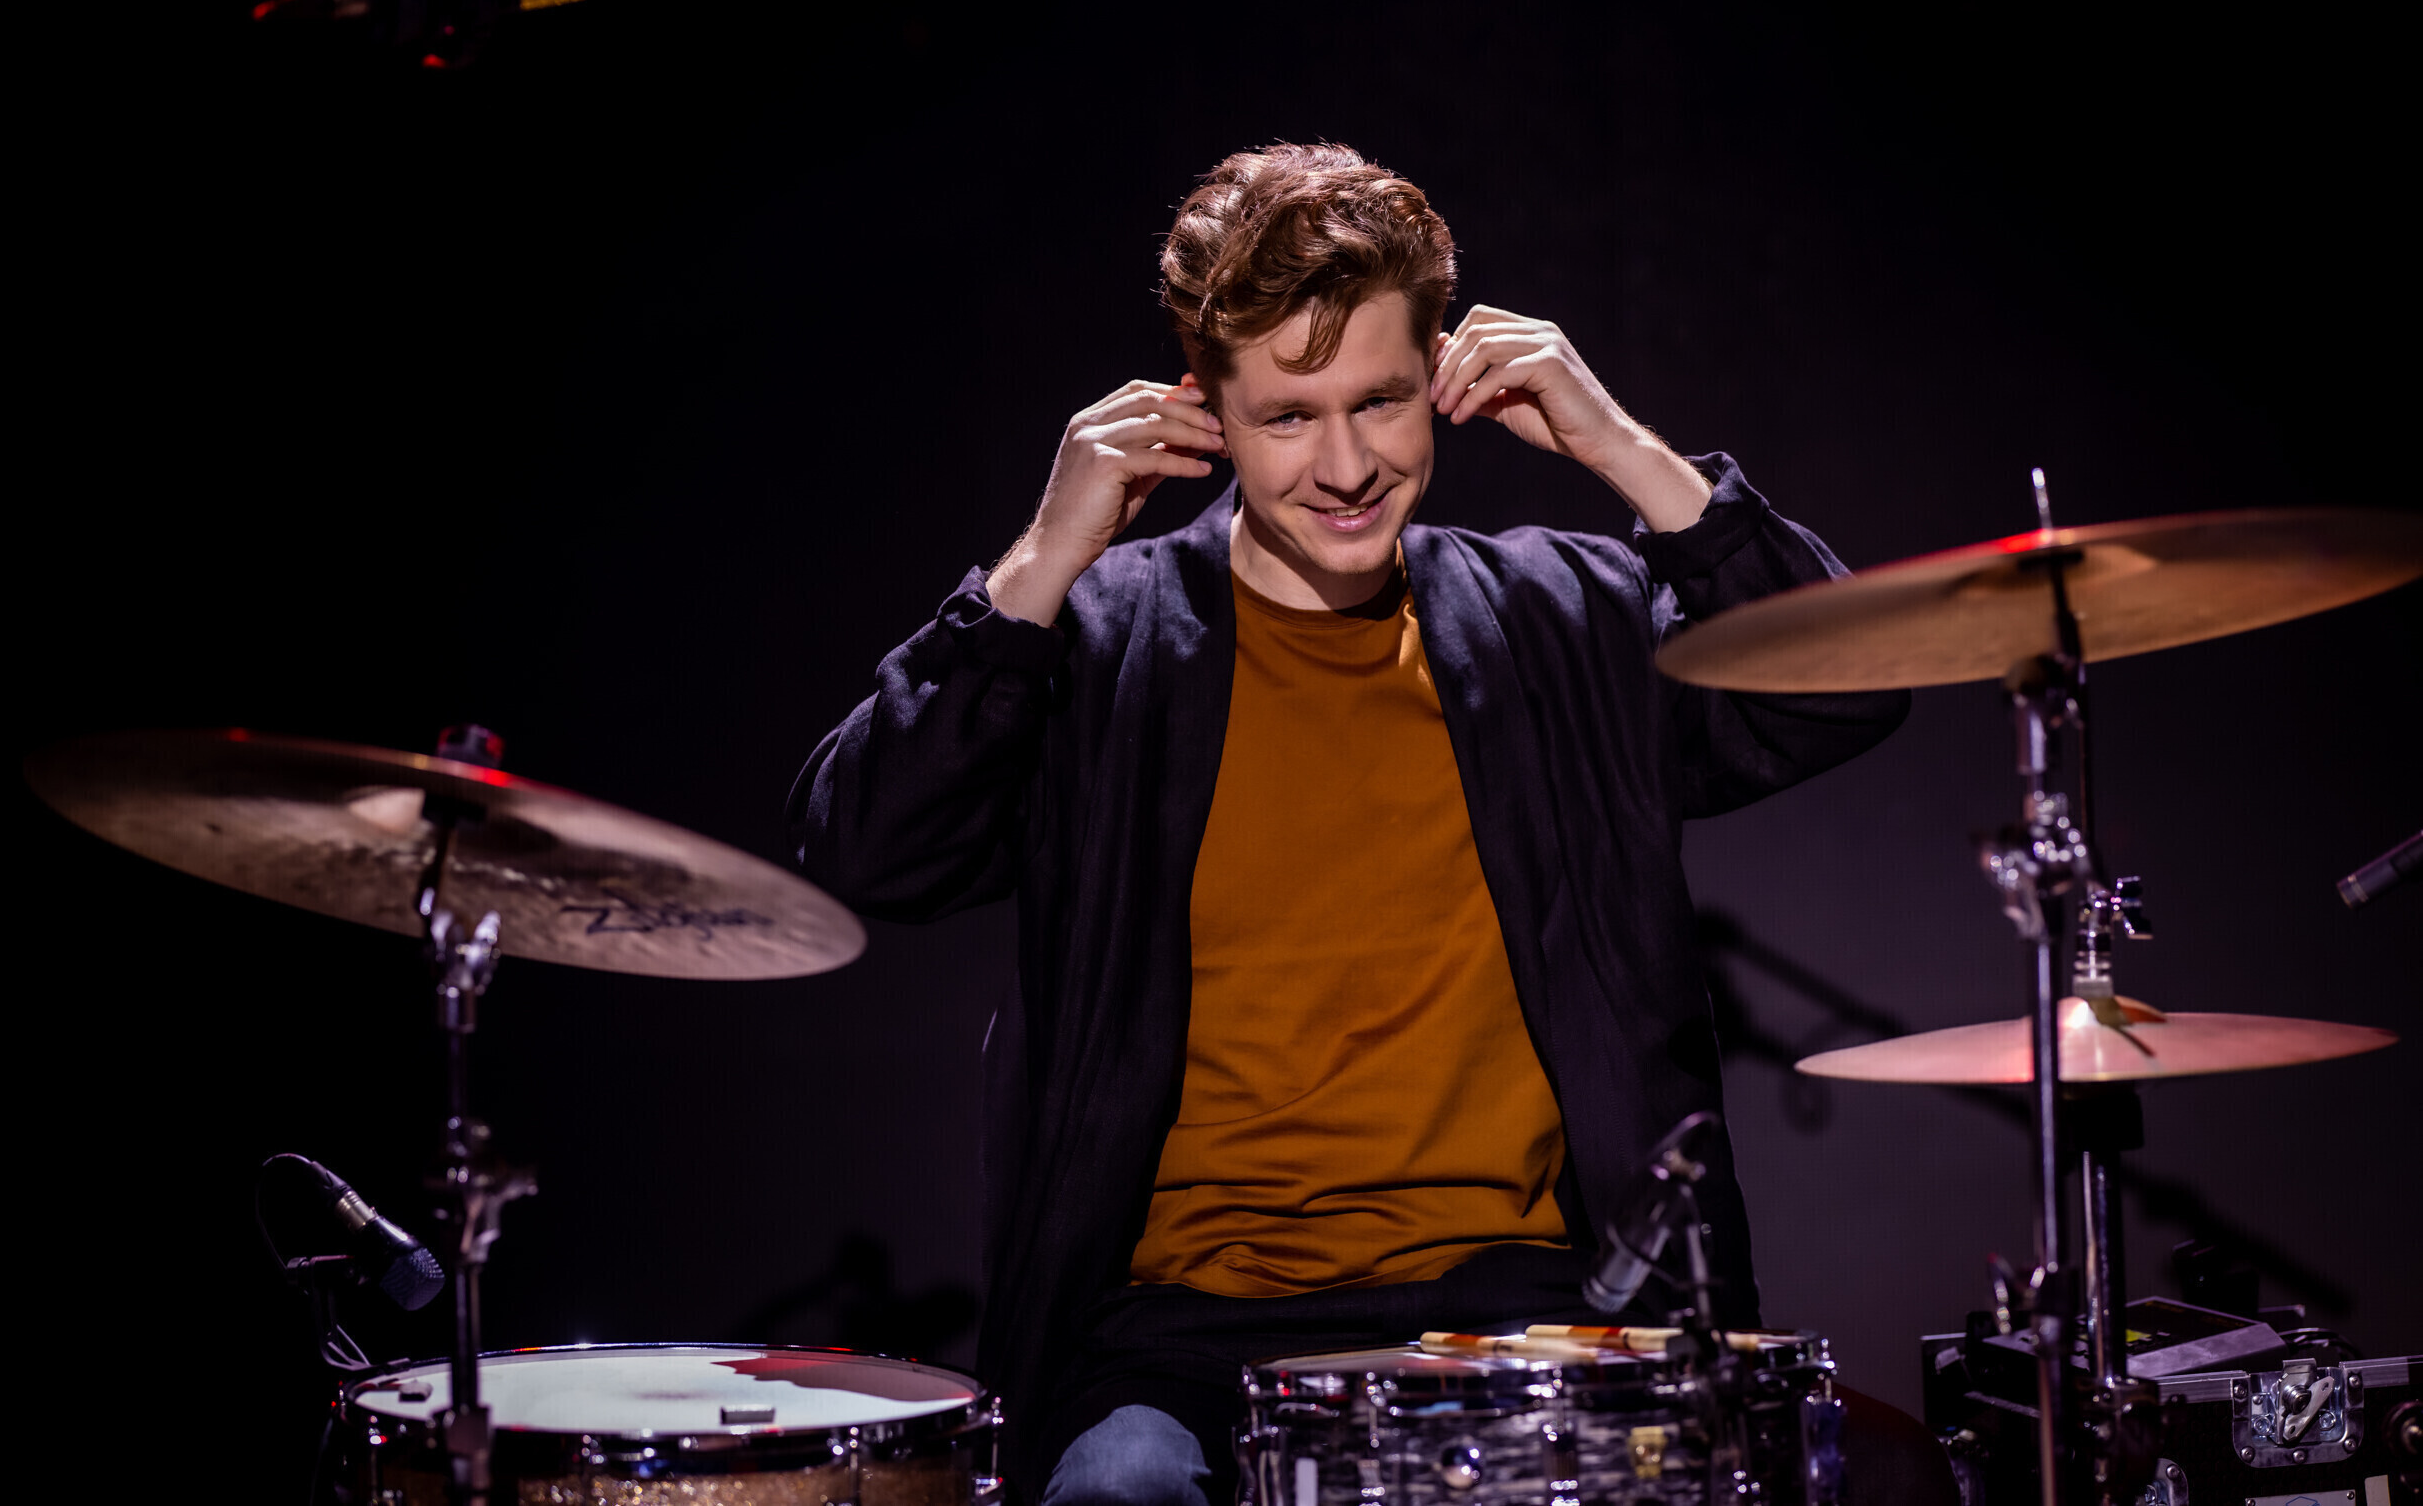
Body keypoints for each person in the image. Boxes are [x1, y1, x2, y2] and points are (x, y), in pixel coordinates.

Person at [788, 143, 1913, 1506]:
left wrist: (1620, 446)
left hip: (1530, 1316)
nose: (1345, 466)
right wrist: (1038, 562)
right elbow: (863, 848)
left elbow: (1845, 688)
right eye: (1286, 416)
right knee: (1112, 1499)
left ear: (1441, 372)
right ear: (1204, 410)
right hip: (1183, 1336)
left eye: (1379, 400)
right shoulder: (1097, 643)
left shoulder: (1559, 621)